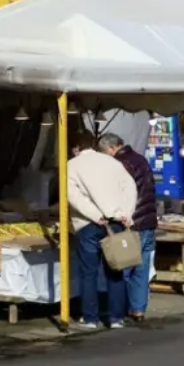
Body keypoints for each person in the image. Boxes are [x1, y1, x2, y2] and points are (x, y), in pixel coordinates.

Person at [64, 134, 139, 329]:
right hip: (115, 222)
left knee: (88, 273)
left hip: (88, 224)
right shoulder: (112, 162)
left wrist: (95, 215)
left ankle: (90, 318)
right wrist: (126, 213)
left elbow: (73, 197)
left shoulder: (71, 165)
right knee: (115, 270)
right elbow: (129, 187)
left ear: (76, 148)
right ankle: (116, 318)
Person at [102, 132, 159, 323]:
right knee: (141, 268)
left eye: (105, 153)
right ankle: (138, 309)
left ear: (111, 148)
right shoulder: (140, 159)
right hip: (149, 220)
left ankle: (122, 308)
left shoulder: (121, 164)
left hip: (132, 222)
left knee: (124, 267)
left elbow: (120, 193)